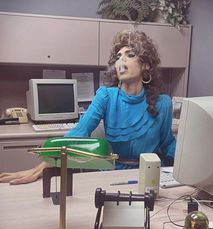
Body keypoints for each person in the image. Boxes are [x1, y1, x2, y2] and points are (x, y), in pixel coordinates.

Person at [0, 30, 176, 185]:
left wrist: (195, 164)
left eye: (129, 55)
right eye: (117, 57)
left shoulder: (163, 103)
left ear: (146, 65)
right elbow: (78, 134)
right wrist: (40, 168)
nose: (120, 61)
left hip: (149, 177)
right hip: (111, 177)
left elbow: (167, 144)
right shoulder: (106, 96)